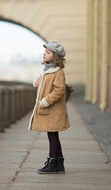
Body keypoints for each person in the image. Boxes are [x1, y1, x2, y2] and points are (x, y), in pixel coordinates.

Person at [28, 41, 70, 174]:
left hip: (53, 110)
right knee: (53, 135)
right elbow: (43, 82)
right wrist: (37, 82)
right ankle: (58, 163)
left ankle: (52, 162)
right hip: (50, 111)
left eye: (48, 52)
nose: (44, 54)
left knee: (52, 136)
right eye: (44, 52)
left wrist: (44, 101)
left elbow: (59, 90)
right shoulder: (47, 70)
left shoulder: (58, 72)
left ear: (55, 56)